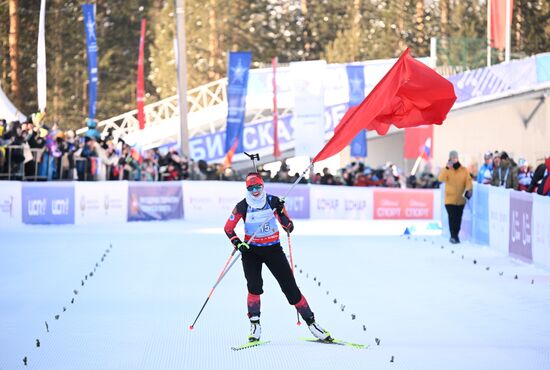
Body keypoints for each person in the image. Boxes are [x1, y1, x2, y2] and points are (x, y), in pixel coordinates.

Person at [224, 172, 331, 342]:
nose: (255, 191)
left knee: (290, 288)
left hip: (273, 249)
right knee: (254, 287)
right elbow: (228, 228)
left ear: (263, 186)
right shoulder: (242, 206)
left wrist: (281, 212)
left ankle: (312, 323)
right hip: (251, 251)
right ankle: (255, 325)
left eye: (258, 186)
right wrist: (238, 243)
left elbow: (288, 227)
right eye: (251, 188)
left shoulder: (273, 202)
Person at [438, 150, 473, 244]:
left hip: (460, 200)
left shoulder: (464, 170)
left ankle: (455, 235)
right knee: (452, 217)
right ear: (449, 159)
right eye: (452, 158)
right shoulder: (447, 170)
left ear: (457, 158)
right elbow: (441, 178)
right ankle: (453, 236)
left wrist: (469, 189)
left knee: (458, 219)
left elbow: (468, 181)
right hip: (449, 200)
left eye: (455, 158)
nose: (453, 159)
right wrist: (446, 168)